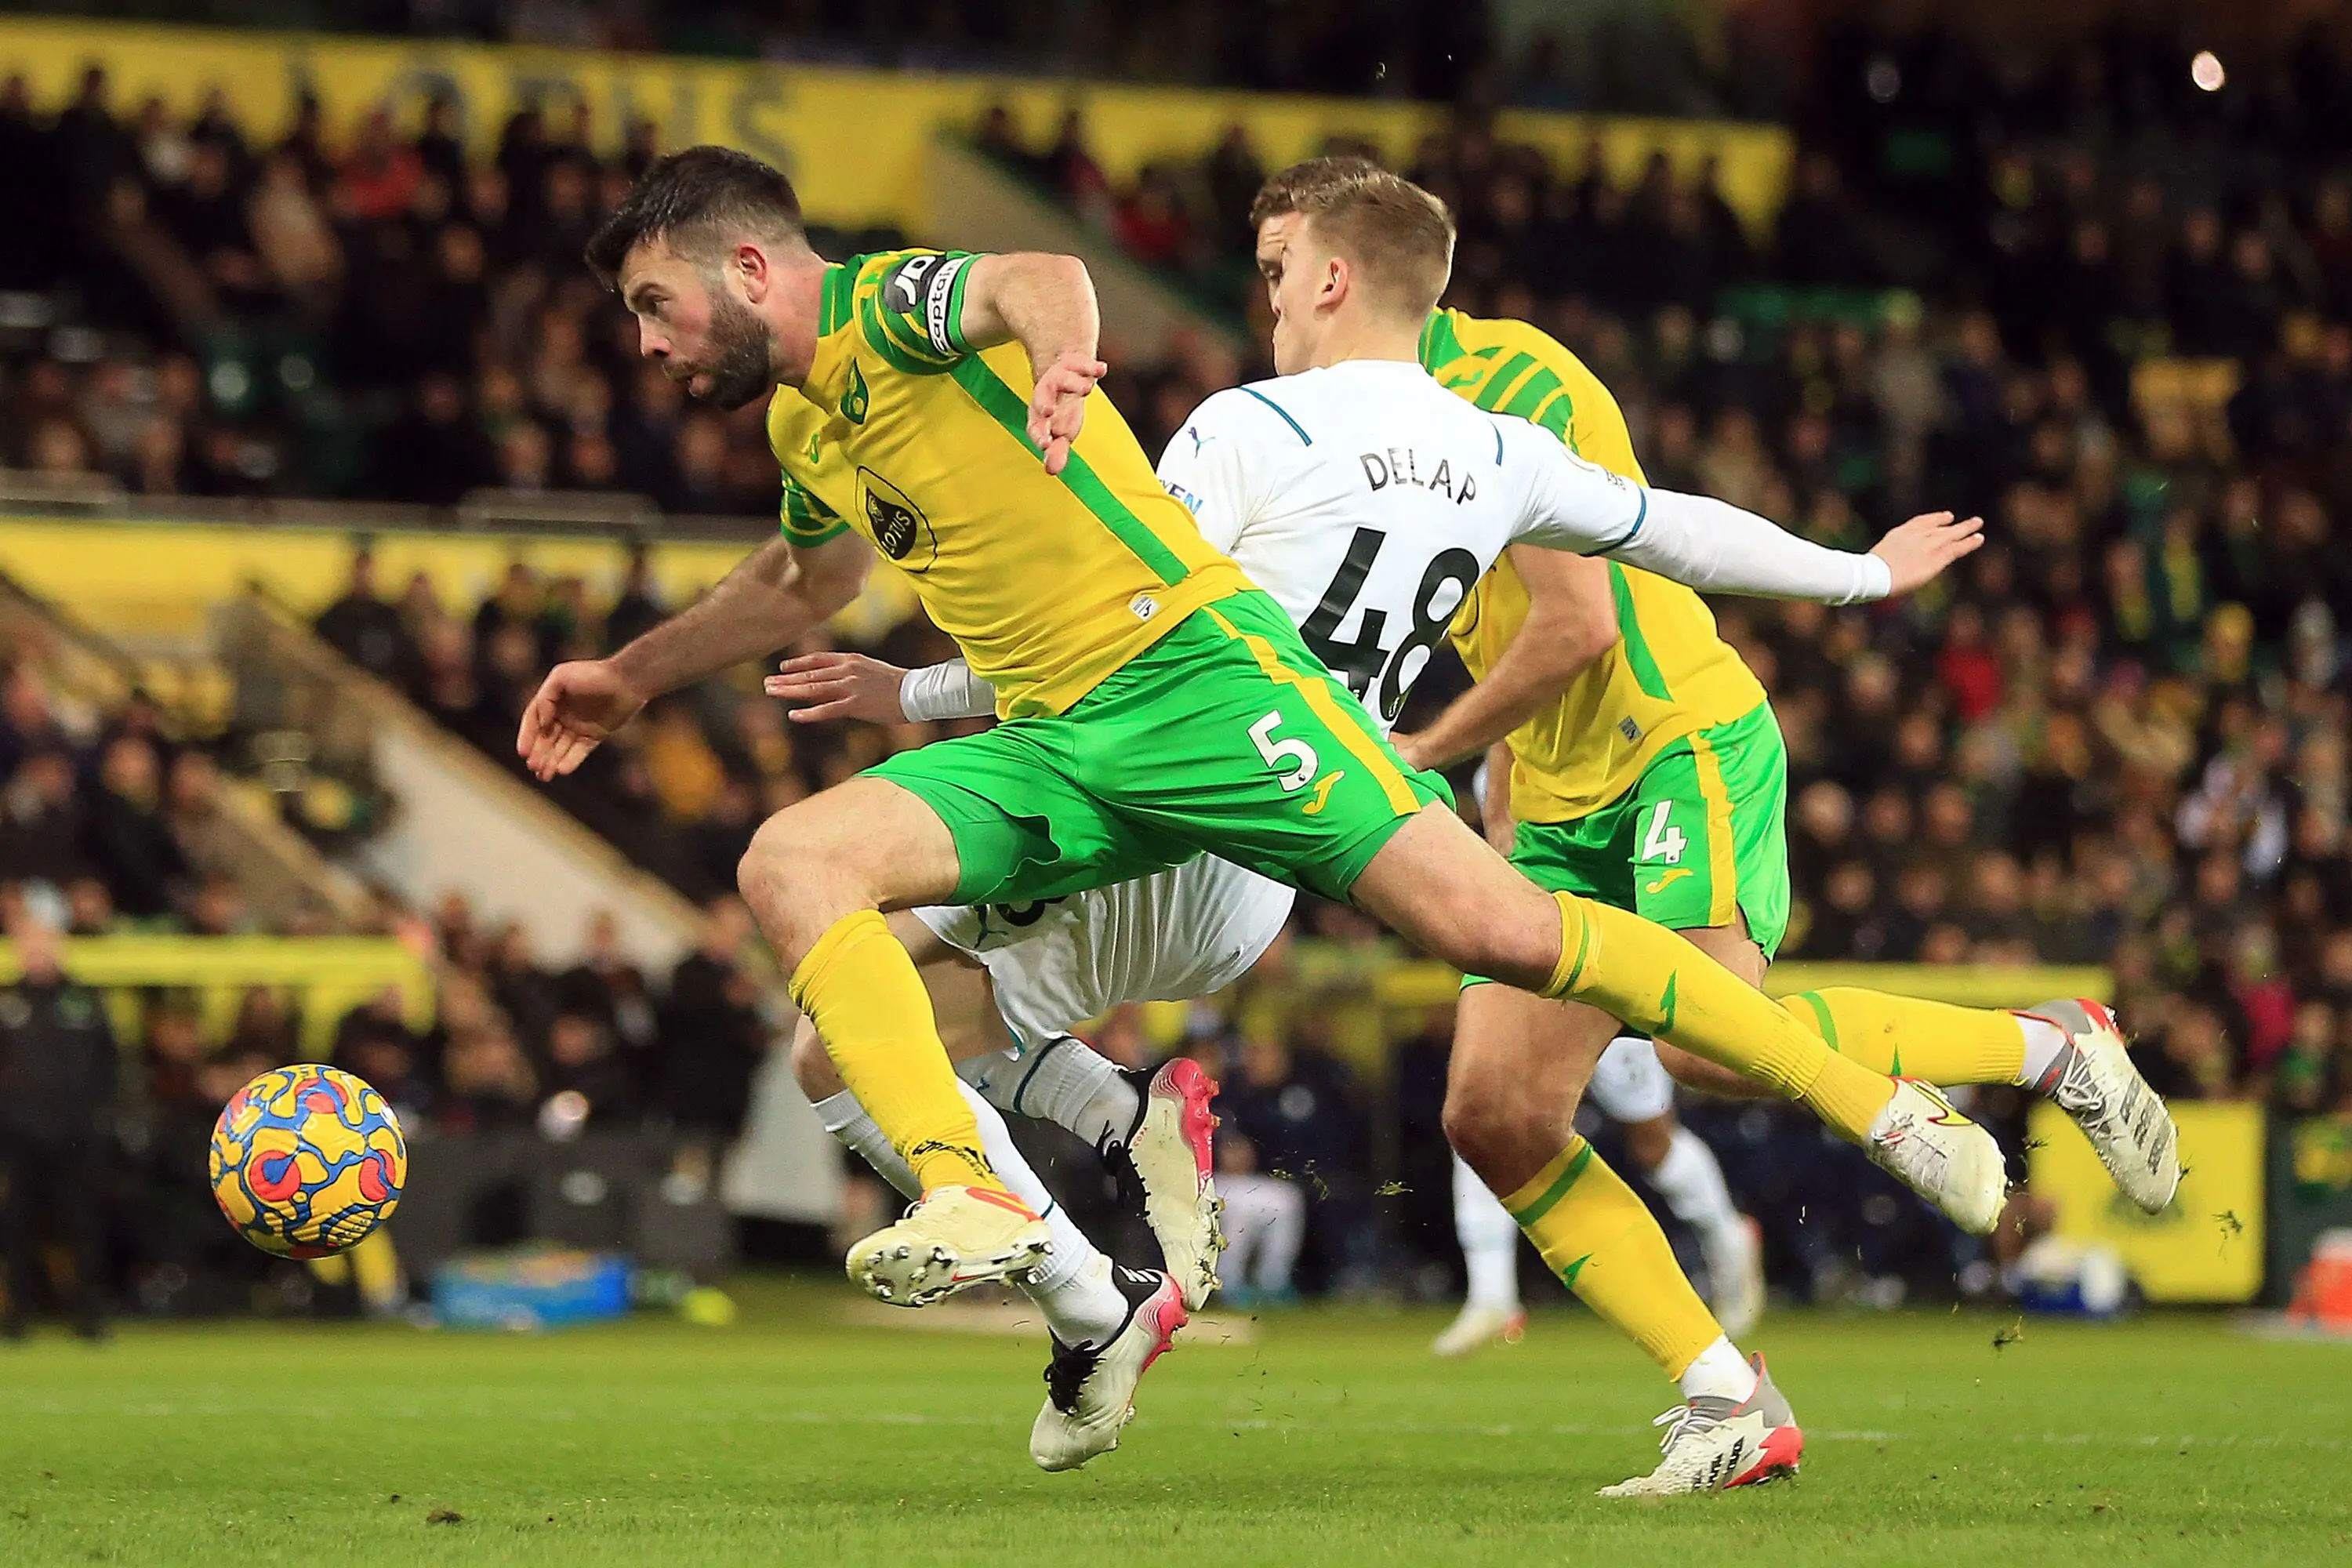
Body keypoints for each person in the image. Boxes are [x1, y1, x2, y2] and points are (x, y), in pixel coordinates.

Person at [518, 147, 2015, 1425]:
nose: (645, 344)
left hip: (1211, 698)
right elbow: (804, 575)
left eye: (654, 304)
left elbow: (1035, 274)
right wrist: (636, 677)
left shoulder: (915, 323)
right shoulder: (810, 422)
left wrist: (1055, 360)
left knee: (1503, 934)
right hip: (1070, 741)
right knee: (791, 867)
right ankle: (998, 1206)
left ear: (757, 265)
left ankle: (1877, 1107)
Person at [0, 913, 117, 1340]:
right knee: (16, 1228)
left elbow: (110, 1063)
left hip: (77, 1136)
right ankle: (17, 1317)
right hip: (19, 1137)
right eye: (30, 947)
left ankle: (88, 1316)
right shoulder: (8, 1002)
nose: (38, 955)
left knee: (82, 1226)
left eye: (44, 946)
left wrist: (99, 1115)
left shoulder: (85, 1001)